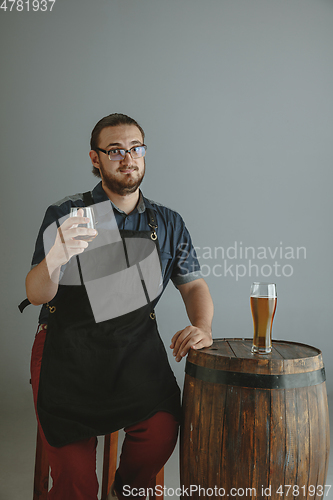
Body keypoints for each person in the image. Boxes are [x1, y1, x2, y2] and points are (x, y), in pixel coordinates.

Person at [24, 113, 214, 500]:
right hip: (67, 353)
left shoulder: (168, 221)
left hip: (134, 350)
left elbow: (193, 284)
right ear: (95, 159)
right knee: (76, 484)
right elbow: (37, 293)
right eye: (115, 151)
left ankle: (126, 489)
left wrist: (203, 326)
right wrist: (57, 256)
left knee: (162, 431)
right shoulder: (66, 214)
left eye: (135, 148)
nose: (128, 158)